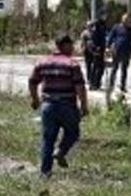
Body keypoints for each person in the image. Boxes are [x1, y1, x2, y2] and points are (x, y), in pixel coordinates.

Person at [28, 34, 89, 177]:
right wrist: (84, 105)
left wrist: (35, 99)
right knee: (73, 133)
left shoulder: (42, 62)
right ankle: (61, 151)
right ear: (64, 46)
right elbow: (80, 87)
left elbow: (32, 81)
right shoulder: (72, 64)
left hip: (48, 106)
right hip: (67, 105)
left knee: (47, 139)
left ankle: (45, 172)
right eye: (71, 45)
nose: (73, 48)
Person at [106, 13, 131, 93]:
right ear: (122, 19)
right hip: (117, 51)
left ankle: (123, 86)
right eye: (125, 19)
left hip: (126, 52)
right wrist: (108, 47)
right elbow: (111, 37)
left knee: (124, 70)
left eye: (128, 19)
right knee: (114, 69)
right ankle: (111, 85)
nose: (126, 21)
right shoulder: (116, 27)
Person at [86, 16, 108, 90]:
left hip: (101, 49)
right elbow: (93, 40)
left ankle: (96, 83)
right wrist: (95, 48)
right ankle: (93, 84)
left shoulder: (102, 28)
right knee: (96, 67)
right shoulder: (96, 29)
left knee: (100, 68)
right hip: (97, 50)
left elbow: (103, 40)